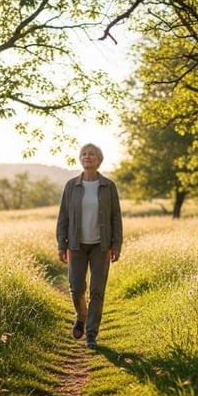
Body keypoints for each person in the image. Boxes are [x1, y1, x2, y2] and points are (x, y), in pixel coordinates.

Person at [56, 143, 123, 349]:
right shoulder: (71, 186)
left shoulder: (108, 186)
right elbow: (63, 217)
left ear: (99, 159)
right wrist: (61, 244)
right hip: (76, 245)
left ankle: (91, 334)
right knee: (76, 288)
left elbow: (115, 217)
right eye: (84, 154)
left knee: (97, 290)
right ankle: (81, 317)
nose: (87, 157)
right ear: (80, 159)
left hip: (100, 246)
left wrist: (116, 244)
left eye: (91, 154)